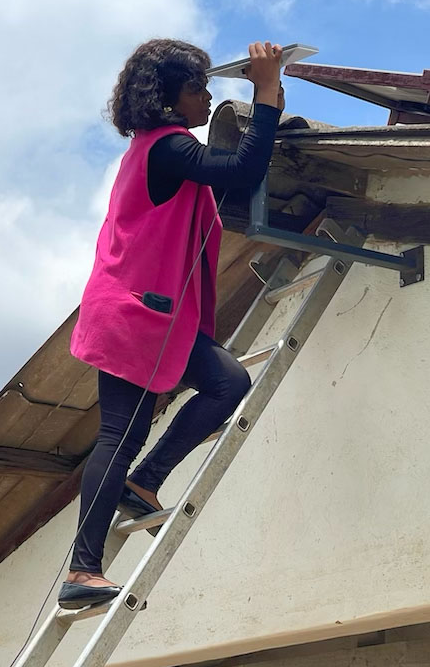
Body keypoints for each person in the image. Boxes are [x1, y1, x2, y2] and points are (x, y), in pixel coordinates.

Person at [61, 39, 285, 610]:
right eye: (196, 89)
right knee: (119, 435)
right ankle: (82, 572)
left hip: (149, 313)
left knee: (227, 383)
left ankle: (145, 481)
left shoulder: (155, 149)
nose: (208, 98)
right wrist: (264, 93)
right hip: (136, 315)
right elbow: (240, 170)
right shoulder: (166, 147)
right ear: (166, 99)